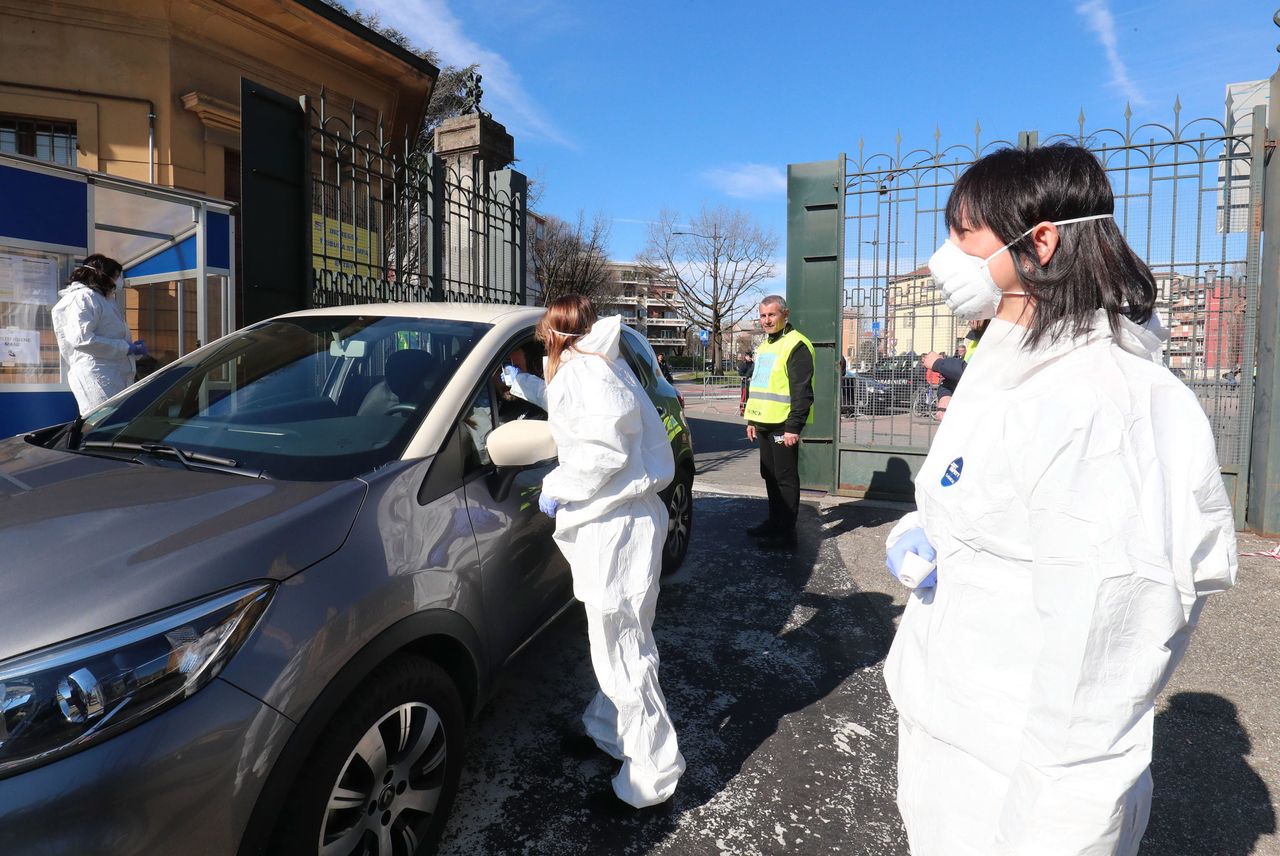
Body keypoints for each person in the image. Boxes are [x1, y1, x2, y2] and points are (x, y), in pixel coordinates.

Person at [884, 143, 1238, 856]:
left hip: (1016, 778)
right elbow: (989, 496)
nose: (940, 258)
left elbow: (1101, 667)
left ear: (1039, 241)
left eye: (963, 235)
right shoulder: (1014, 360)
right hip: (956, 735)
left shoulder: (1101, 403)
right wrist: (926, 530)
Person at [515, 294, 685, 810]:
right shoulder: (598, 364)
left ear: (556, 336)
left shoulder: (584, 372)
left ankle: (651, 777)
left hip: (614, 528)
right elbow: (576, 415)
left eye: (545, 338)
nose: (543, 346)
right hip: (624, 522)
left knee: (624, 651)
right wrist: (518, 383)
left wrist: (558, 484)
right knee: (621, 642)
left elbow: (601, 450)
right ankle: (607, 730)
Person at [742, 295, 814, 550]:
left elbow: (802, 391)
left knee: (785, 478)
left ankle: (786, 532)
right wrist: (752, 419)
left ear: (786, 314)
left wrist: (794, 426)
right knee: (770, 475)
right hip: (763, 422)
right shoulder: (764, 347)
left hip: (783, 424)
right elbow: (759, 385)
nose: (767, 320)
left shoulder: (797, 345)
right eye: (763, 315)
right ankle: (774, 522)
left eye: (772, 315)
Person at [51, 254, 147, 415]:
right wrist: (126, 348)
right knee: (100, 425)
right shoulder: (82, 298)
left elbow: (110, 335)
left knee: (113, 425)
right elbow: (82, 340)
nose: (119, 281)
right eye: (117, 276)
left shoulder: (102, 299)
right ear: (102, 275)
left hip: (110, 374)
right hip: (95, 375)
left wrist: (132, 349)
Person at [921, 320, 989, 419]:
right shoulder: (975, 339)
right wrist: (945, 395)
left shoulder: (1000, 337)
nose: (968, 319)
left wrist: (938, 363)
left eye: (973, 312)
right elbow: (954, 379)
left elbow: (977, 372)